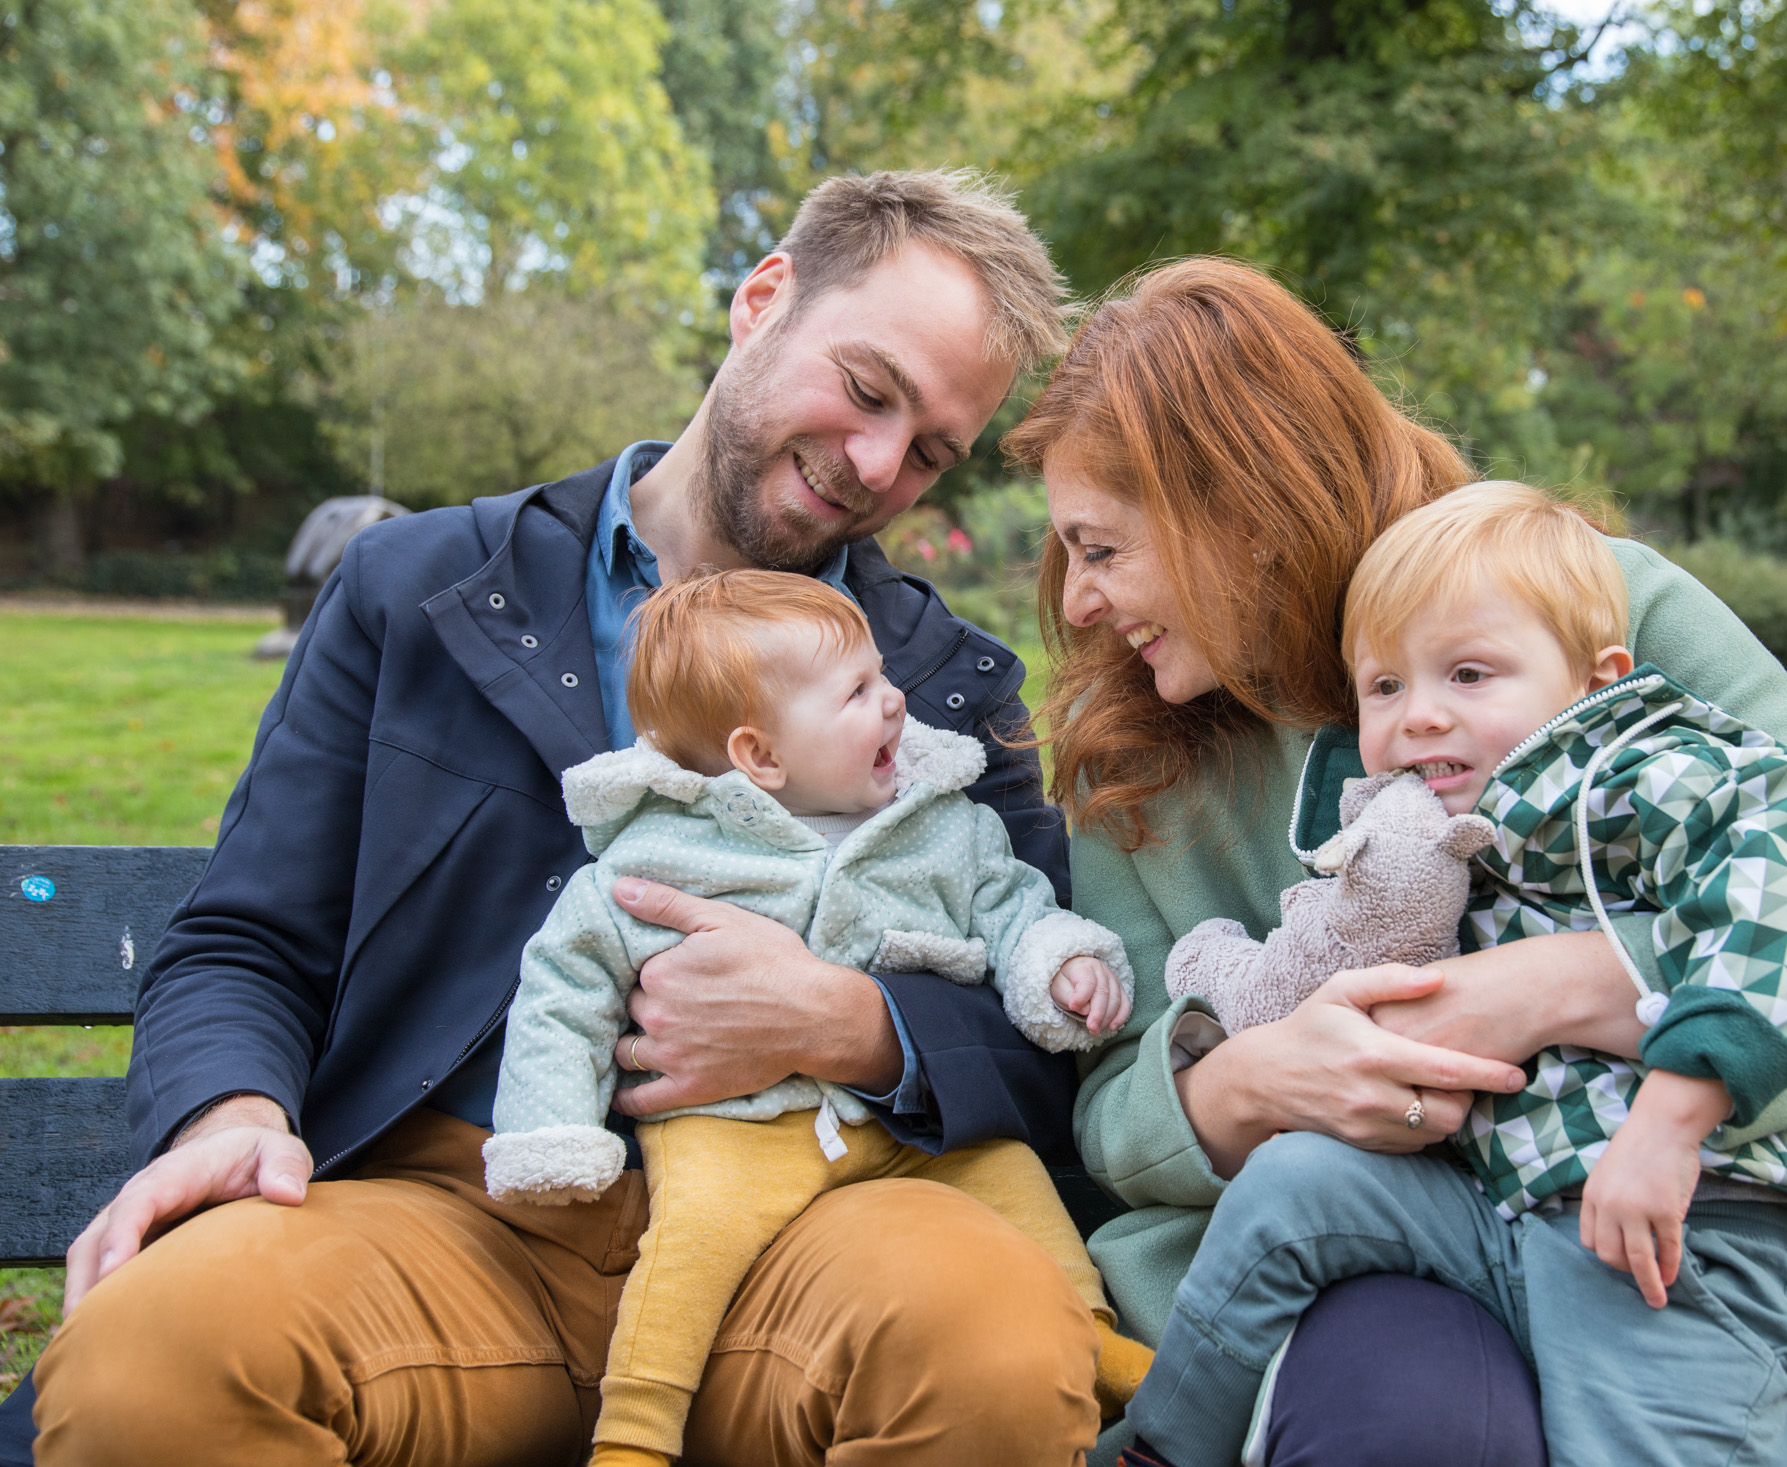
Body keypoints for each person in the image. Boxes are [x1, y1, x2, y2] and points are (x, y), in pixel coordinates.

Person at [12, 170, 1109, 1467]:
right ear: (762, 300)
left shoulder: (943, 682)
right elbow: (244, 939)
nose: (879, 464)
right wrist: (233, 1118)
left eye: (931, 449)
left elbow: (1046, 1025)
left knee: (992, 1352)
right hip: (445, 1217)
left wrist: (856, 1023)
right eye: (869, 390)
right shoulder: (413, 588)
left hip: (812, 1219)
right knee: (158, 1362)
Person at [1007, 257, 1787, 1466]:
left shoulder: (1587, 608)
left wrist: (1545, 990)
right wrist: (1251, 1086)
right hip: (1379, 1239)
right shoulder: (1140, 765)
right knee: (1404, 1431)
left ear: (1233, 503)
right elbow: (1116, 1105)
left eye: (1101, 549)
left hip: (1722, 1208)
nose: (1076, 603)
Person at [1127, 484, 1787, 1467]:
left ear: (1592, 680)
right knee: (1292, 1187)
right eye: (1384, 687)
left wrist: (1670, 1122)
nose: (1420, 716)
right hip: (1495, 1206)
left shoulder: (1639, 770)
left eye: (1469, 674)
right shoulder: (1427, 828)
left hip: (1669, 1219)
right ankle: (1159, 1447)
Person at [485, 569, 1147, 1465]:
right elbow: (565, 982)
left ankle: (1092, 1335)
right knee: (690, 1247)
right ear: (760, 756)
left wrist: (1062, 964)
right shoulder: (662, 854)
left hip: (906, 1130)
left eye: (884, 674)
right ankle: (636, 1429)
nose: (895, 702)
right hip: (732, 1126)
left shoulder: (937, 823)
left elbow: (1011, 902)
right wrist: (549, 1126)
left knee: (1013, 1179)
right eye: (860, 691)